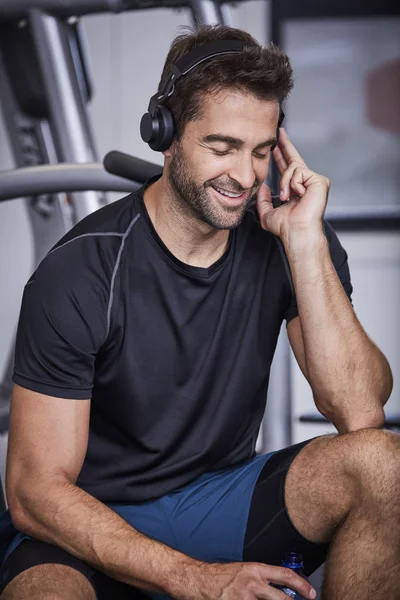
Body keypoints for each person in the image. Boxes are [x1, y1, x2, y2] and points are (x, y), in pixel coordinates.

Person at [0, 24, 398, 600]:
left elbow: (361, 413)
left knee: (386, 469)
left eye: (261, 151)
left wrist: (305, 240)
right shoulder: (80, 272)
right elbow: (36, 491)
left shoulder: (290, 243)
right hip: (89, 519)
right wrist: (192, 578)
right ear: (165, 135)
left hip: (215, 500)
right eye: (222, 148)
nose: (243, 175)